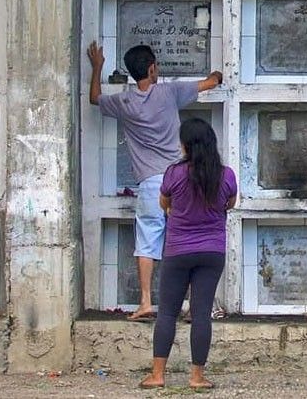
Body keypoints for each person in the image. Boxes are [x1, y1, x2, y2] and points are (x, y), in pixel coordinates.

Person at [87, 42, 223, 321]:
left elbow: (94, 97)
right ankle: (191, 304)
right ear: (152, 68)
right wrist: (218, 75)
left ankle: (146, 302)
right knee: (187, 238)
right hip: (180, 179)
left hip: (150, 184)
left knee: (147, 242)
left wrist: (98, 66)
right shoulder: (169, 92)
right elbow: (208, 83)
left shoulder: (124, 102)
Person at [140, 118, 237, 390]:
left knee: (168, 313)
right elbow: (230, 203)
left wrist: (178, 211)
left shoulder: (174, 173)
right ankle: (197, 377)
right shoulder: (226, 175)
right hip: (211, 251)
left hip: (178, 250)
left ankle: (158, 375)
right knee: (201, 313)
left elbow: (164, 203)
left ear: (185, 145)